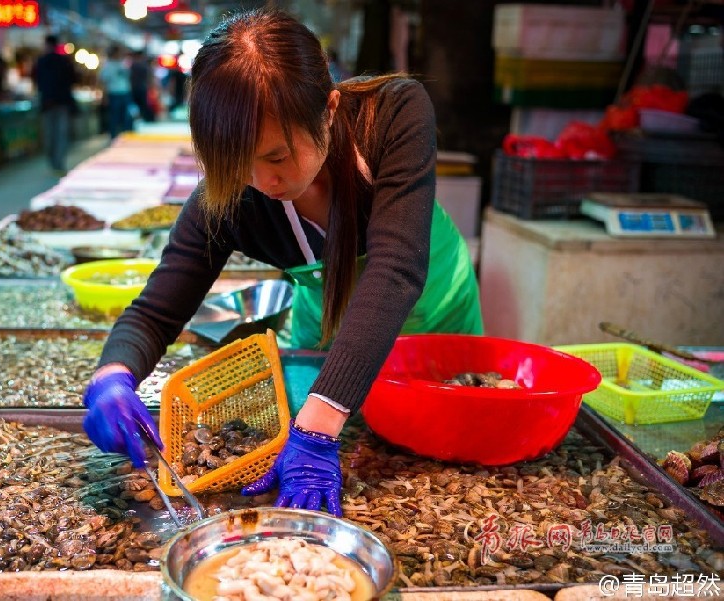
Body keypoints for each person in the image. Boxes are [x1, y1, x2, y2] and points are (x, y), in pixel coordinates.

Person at [82, 9, 482, 517]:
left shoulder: (394, 113)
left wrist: (317, 428)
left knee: (438, 447)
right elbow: (156, 312)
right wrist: (112, 376)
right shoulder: (229, 196)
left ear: (329, 109)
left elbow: (396, 268)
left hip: (431, 307)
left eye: (276, 156)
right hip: (326, 326)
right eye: (237, 161)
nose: (262, 181)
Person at [32, 34, 76, 175]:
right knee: (60, 134)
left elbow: (37, 81)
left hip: (47, 103)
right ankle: (59, 163)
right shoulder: (64, 61)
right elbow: (73, 79)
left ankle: (53, 162)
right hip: (62, 103)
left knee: (50, 134)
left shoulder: (40, 62)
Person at [99, 45, 134, 141]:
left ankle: (126, 137)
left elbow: (129, 78)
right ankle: (113, 138)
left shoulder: (124, 64)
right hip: (113, 93)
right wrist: (104, 96)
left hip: (125, 93)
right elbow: (104, 82)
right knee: (114, 117)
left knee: (127, 117)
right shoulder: (108, 65)